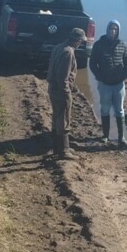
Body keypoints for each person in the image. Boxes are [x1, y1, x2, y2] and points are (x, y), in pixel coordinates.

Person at [89, 20, 127, 147]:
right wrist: (99, 77)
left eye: (115, 29)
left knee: (120, 110)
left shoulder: (122, 45)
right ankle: (105, 135)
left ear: (118, 31)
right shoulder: (99, 45)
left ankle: (121, 137)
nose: (113, 31)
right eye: (111, 28)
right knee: (105, 109)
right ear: (107, 29)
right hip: (104, 85)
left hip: (119, 85)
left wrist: (125, 75)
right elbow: (92, 63)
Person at [47, 27, 86, 159]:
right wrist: (67, 93)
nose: (81, 43)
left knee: (57, 118)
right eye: (81, 41)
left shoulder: (59, 47)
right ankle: (64, 151)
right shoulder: (68, 52)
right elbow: (62, 77)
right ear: (77, 40)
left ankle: (57, 148)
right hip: (60, 91)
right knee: (64, 120)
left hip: (53, 88)